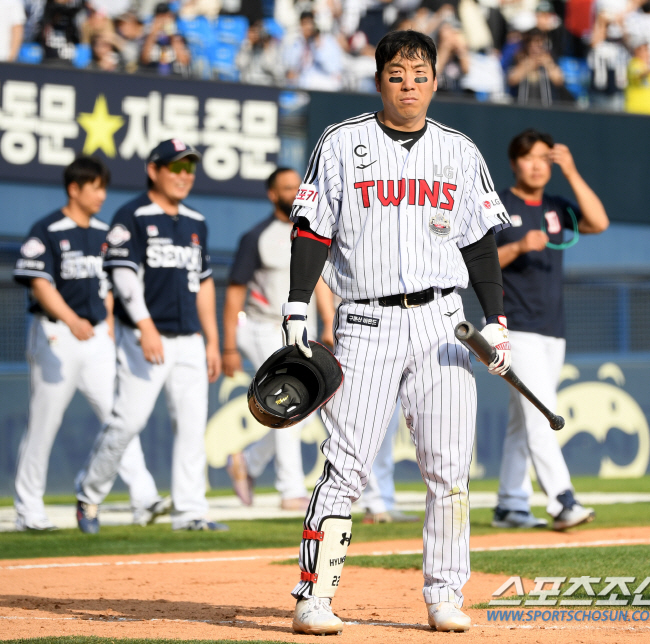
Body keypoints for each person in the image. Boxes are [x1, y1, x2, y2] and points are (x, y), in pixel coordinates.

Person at [282, 29, 513, 635]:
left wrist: (498, 320)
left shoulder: (460, 152)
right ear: (378, 78)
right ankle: (314, 594)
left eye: (419, 74)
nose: (408, 84)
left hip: (442, 321)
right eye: (396, 73)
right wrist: (297, 306)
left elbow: (481, 244)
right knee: (345, 467)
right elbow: (310, 229)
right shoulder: (341, 142)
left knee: (448, 468)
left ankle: (444, 594)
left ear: (436, 80)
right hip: (364, 321)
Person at [74, 139, 226, 533]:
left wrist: (211, 339)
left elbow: (204, 284)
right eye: (175, 168)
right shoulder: (133, 215)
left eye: (189, 168)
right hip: (146, 335)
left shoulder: (196, 221)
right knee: (128, 421)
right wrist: (145, 326)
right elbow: (124, 277)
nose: (184, 176)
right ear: (153, 170)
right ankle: (89, 495)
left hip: (189, 338)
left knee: (193, 427)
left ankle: (190, 511)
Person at [13, 156, 169, 531]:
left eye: (104, 186)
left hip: (98, 336)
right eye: (94, 186)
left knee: (119, 418)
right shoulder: (48, 229)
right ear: (74, 188)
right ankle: (29, 509)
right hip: (56, 335)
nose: (101, 194)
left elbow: (112, 286)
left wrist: (110, 324)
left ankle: (144, 497)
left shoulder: (105, 232)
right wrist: (70, 319)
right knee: (44, 423)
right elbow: (39, 282)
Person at [492, 129, 608, 531]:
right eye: (529, 157)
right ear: (514, 162)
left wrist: (572, 172)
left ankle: (509, 503)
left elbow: (599, 222)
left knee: (522, 419)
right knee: (543, 414)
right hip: (515, 327)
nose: (538, 164)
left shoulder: (558, 206)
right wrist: (519, 247)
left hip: (552, 330)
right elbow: (477, 263)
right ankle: (562, 500)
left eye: (546, 157)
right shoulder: (500, 205)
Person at [222, 167, 335, 511]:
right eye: (286, 188)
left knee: (303, 407)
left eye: (297, 186)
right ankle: (290, 490)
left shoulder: (311, 230)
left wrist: (329, 324)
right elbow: (234, 293)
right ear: (273, 195)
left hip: (301, 329)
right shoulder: (257, 236)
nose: (294, 192)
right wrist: (228, 345)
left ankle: (249, 463)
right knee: (290, 399)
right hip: (263, 326)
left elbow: (319, 283)